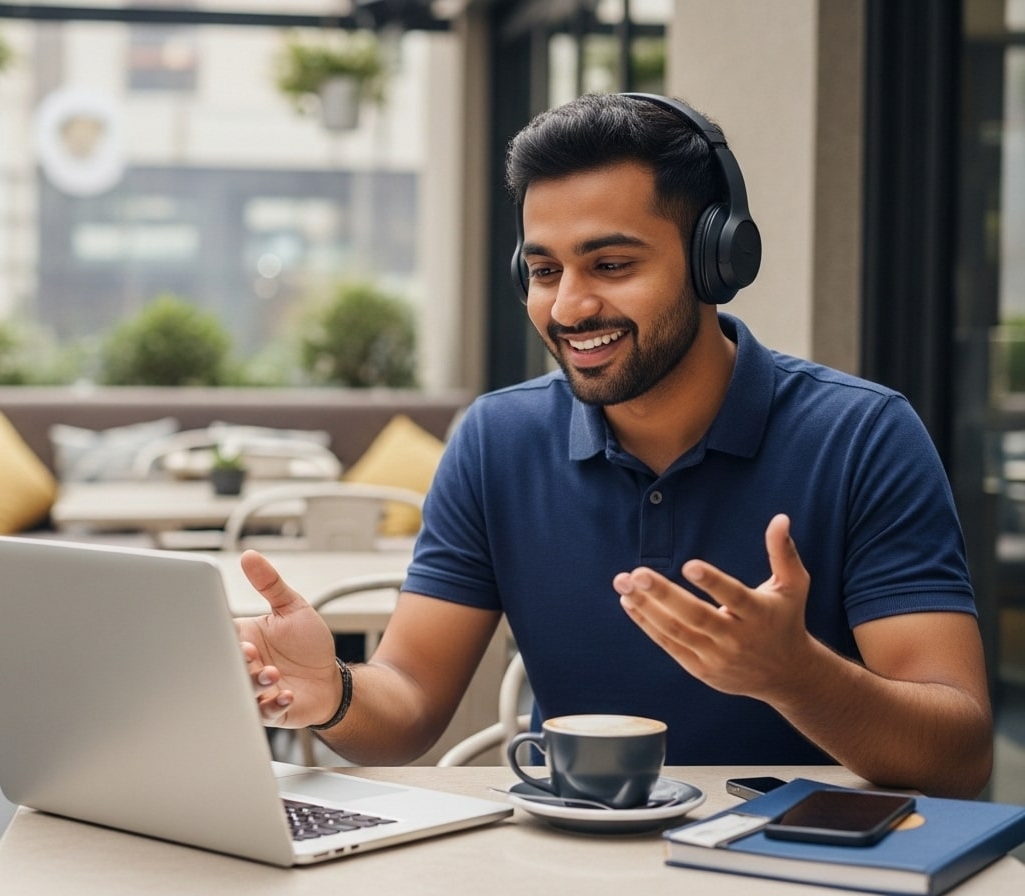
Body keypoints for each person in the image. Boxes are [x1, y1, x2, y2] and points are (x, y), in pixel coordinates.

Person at [235, 92, 993, 798]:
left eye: (611, 265)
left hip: (800, 867)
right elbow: (408, 706)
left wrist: (793, 675)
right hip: (566, 858)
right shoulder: (496, 439)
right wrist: (333, 690)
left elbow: (959, 756)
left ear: (715, 261)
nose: (569, 305)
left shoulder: (863, 435)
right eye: (543, 270)